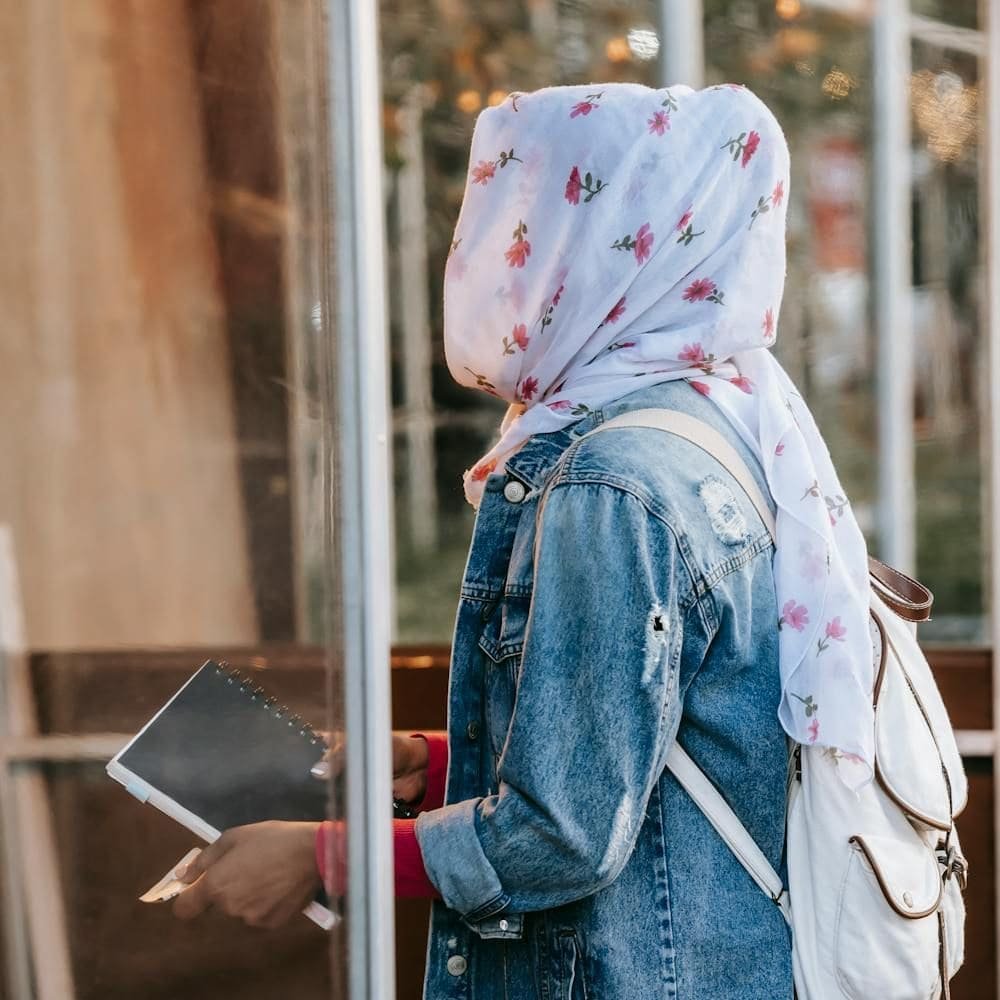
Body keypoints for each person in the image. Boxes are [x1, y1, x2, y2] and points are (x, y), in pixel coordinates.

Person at [174, 81, 876, 999]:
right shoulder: (723, 427)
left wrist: (323, 857)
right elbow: (663, 743)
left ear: (607, 242)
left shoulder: (610, 479)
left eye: (526, 215)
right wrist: (441, 759)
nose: (490, 255)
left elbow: (565, 832)